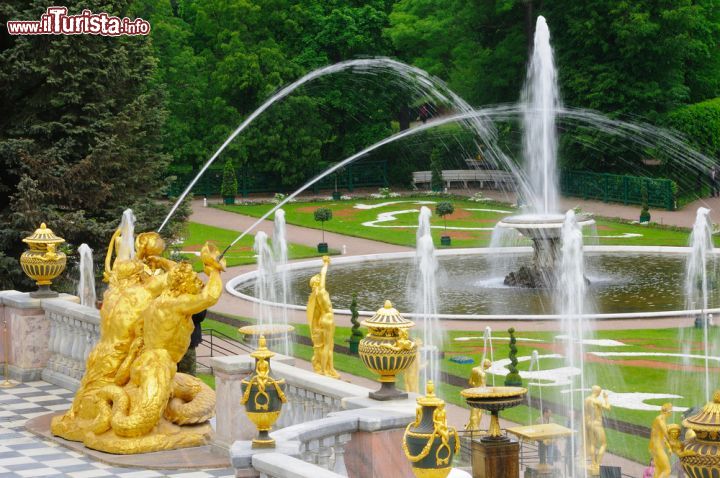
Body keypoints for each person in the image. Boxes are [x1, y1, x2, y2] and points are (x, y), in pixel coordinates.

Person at [584, 385, 611, 475]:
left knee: (593, 444)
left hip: (589, 423)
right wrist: (606, 398)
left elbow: (585, 412)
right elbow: (608, 408)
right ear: (598, 392)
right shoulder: (596, 401)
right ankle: (598, 464)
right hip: (597, 424)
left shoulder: (586, 399)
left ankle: (593, 463)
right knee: (603, 444)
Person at [649, 403, 672, 478]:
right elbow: (666, 433)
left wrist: (668, 447)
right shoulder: (660, 419)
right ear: (668, 412)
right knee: (667, 469)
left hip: (656, 448)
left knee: (659, 469)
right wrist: (673, 441)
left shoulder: (660, 419)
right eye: (671, 411)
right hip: (658, 448)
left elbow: (663, 437)